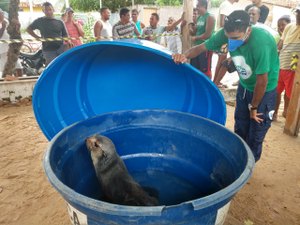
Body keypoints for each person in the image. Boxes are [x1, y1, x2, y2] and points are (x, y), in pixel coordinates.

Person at [173, 10, 279, 162]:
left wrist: (254, 107)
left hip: (264, 90)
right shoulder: (226, 33)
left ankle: (249, 164)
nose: (231, 42)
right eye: (229, 38)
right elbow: (201, 48)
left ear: (248, 30)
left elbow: (262, 80)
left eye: (235, 38)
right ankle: (238, 159)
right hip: (244, 85)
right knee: (240, 124)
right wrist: (184, 55)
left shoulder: (262, 42)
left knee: (256, 131)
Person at [273, 6, 300, 121]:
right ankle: (274, 113)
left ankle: (287, 113)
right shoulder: (289, 27)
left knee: (290, 93)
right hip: (280, 63)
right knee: (276, 91)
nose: (298, 15)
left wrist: (294, 66)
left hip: (293, 64)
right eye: (298, 13)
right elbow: (280, 44)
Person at [213, 0, 239, 88]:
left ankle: (216, 82)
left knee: (221, 60)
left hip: (225, 37)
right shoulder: (226, 5)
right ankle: (215, 82)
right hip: (224, 38)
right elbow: (223, 22)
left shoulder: (228, 5)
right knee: (222, 60)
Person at [189, 0, 215, 79]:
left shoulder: (210, 17)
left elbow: (208, 35)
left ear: (204, 6)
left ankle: (206, 89)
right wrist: (189, 27)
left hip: (205, 48)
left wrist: (195, 37)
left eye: (198, 6)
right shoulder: (199, 17)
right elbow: (195, 32)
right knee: (194, 69)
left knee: (205, 71)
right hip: (196, 47)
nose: (196, 8)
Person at [0, 8, 23, 80]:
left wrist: (18, 25)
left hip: (13, 50)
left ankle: (19, 84)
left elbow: (14, 32)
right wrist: (3, 27)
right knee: (6, 72)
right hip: (3, 52)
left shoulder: (6, 22)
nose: (1, 16)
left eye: (2, 14)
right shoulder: (3, 24)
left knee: (19, 69)